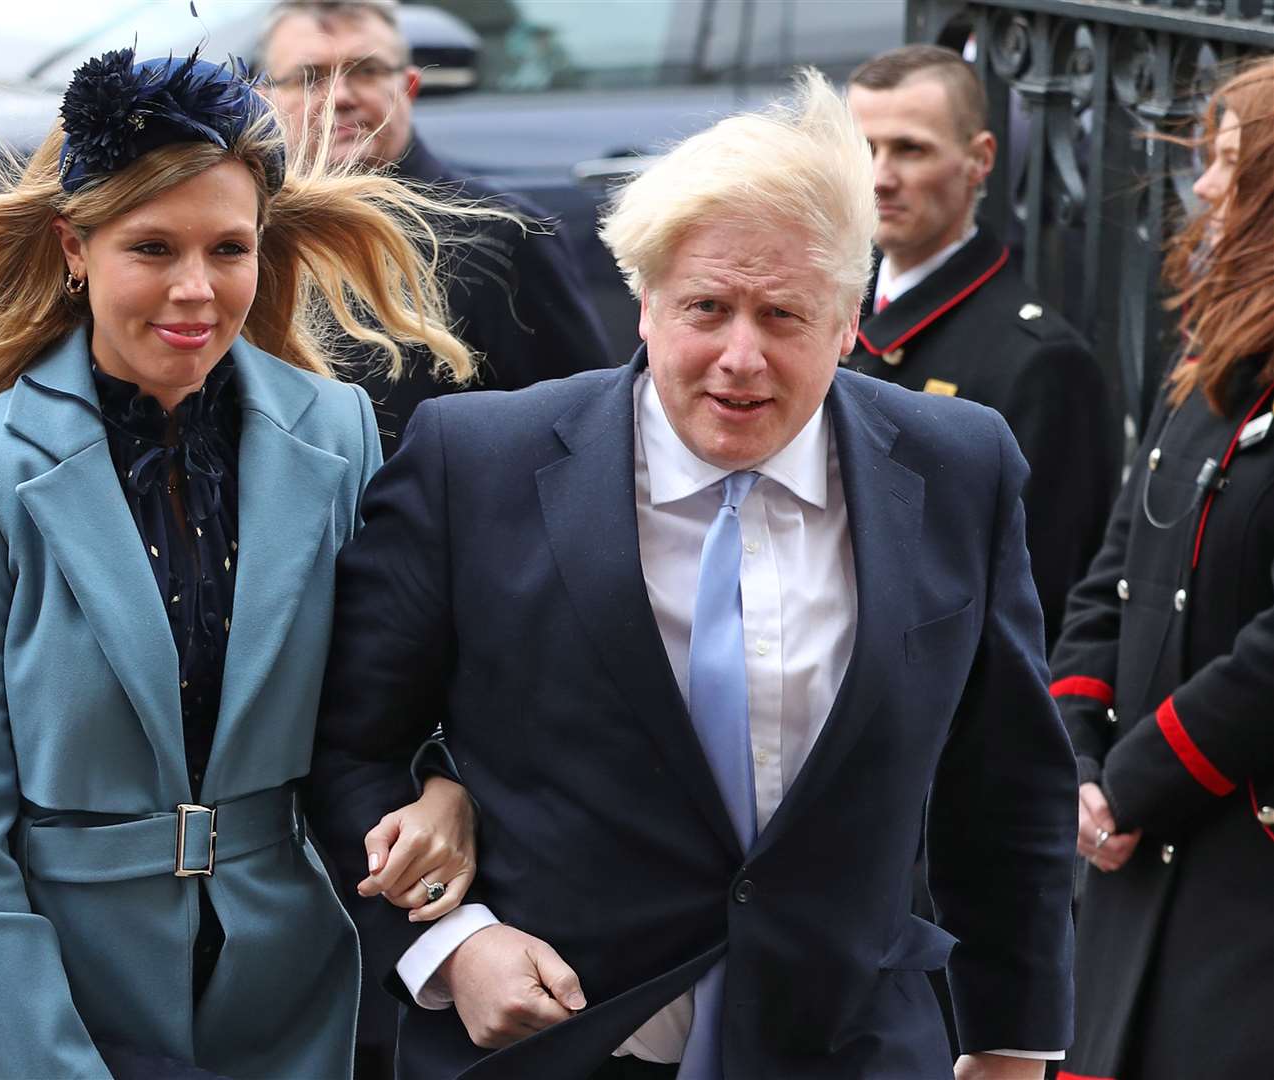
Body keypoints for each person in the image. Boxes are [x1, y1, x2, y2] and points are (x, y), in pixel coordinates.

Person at [309, 71, 1077, 1080]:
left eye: (785, 316)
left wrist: (1012, 1044)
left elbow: (1007, 783)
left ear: (849, 319)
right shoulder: (477, 465)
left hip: (847, 1045)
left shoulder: (955, 467)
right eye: (707, 308)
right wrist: (452, 949)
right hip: (555, 1045)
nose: (740, 357)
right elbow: (342, 748)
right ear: (644, 305)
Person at [0, 49, 480, 1080]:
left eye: (227, 249)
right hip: (25, 997)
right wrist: (44, 1059)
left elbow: (395, 701)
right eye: (151, 247)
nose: (195, 291)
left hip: (273, 990)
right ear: (75, 247)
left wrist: (446, 787)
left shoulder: (334, 433)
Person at [1050, 58, 1274, 1080]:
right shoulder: (1214, 358)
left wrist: (1136, 783)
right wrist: (1079, 758)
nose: (1211, 192)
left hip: (1237, 884)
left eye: (1237, 166)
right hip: (1132, 859)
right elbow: (1115, 573)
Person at [845, 44, 1115, 652]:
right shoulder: (828, 310)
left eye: (910, 149)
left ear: (979, 159)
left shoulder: (1039, 363)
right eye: (864, 149)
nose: (880, 176)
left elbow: (1038, 597)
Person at [262, 0, 614, 455]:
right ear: (266, 96)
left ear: (408, 85)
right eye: (309, 77)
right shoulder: (243, 238)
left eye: (366, 71)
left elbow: (584, 429)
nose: (341, 95)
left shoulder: (502, 236)